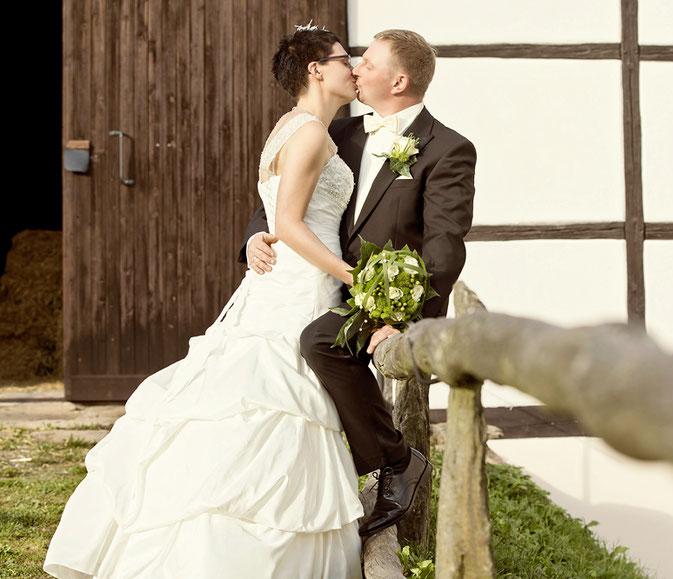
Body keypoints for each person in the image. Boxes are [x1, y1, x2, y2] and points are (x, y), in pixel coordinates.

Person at [44, 25, 366, 578]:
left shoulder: (291, 127)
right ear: (317, 70)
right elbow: (289, 223)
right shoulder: (312, 133)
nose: (353, 68)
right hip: (303, 283)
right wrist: (353, 277)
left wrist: (262, 238)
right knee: (274, 402)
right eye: (344, 60)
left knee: (263, 401)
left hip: (288, 281)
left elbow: (277, 217)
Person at [241, 29, 476, 536]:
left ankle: (395, 464)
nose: (355, 69)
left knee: (318, 343)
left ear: (399, 81)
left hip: (381, 297)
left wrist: (404, 319)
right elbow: (285, 195)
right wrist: (255, 235)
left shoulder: (449, 149)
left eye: (366, 62)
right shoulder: (337, 132)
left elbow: (444, 245)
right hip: (318, 279)